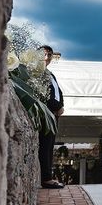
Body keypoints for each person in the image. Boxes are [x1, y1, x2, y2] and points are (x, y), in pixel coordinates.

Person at [37, 45, 65, 189]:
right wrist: (57, 107)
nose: (47, 57)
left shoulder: (50, 74)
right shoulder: (36, 72)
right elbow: (43, 94)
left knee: (50, 146)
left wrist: (61, 106)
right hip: (46, 114)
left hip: (54, 114)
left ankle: (48, 176)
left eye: (49, 55)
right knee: (45, 146)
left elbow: (58, 92)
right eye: (45, 54)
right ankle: (46, 179)